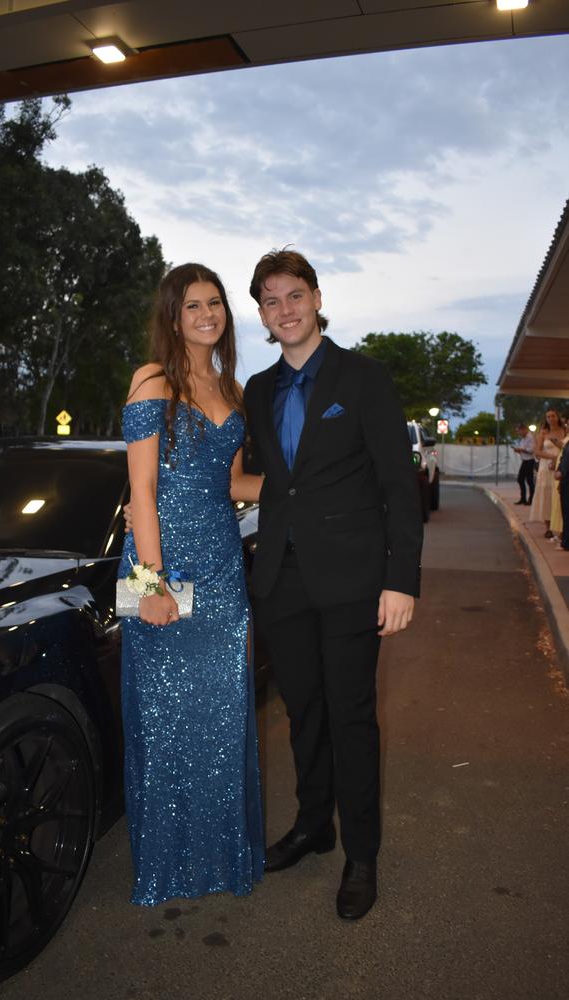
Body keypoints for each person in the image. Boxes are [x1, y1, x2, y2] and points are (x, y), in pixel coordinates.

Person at [243, 249, 423, 921]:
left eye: (294, 295)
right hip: (281, 581)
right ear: (260, 312)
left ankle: (362, 854)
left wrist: (401, 581)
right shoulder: (258, 389)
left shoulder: (365, 378)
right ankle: (314, 824)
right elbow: (272, 483)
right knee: (303, 712)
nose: (284, 309)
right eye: (270, 299)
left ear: (317, 298)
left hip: (353, 579)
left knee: (350, 717)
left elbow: (397, 489)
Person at [119, 263, 265, 906]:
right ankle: (166, 867)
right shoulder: (152, 381)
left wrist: (309, 486)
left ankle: (216, 859)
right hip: (159, 568)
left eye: (216, 303)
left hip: (223, 572)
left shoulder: (233, 392)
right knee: (163, 719)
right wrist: (151, 584)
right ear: (173, 316)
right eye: (192, 305)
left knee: (220, 719)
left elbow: (232, 485)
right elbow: (142, 490)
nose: (207, 314)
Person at [529, 410, 564, 537]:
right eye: (548, 417)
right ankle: (548, 527)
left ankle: (561, 526)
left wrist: (558, 458)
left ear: (557, 417)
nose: (551, 418)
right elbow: (537, 451)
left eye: (553, 416)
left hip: (561, 466)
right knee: (546, 495)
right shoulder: (543, 432)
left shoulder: (564, 431)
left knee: (559, 495)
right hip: (546, 467)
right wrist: (552, 457)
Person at [511, 423, 536, 505]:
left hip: (530, 460)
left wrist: (521, 449)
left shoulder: (530, 437)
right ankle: (523, 498)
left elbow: (531, 450)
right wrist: (518, 450)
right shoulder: (522, 439)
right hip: (525, 460)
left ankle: (531, 499)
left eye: (519, 431)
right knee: (520, 479)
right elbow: (524, 450)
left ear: (524, 429)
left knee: (529, 481)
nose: (518, 433)